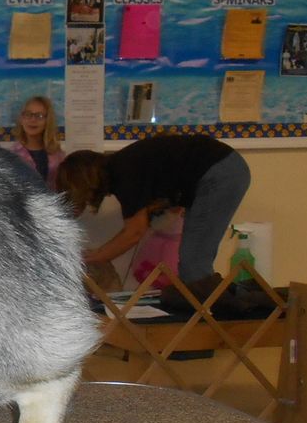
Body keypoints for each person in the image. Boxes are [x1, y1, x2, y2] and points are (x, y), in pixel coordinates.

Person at [57, 133, 251, 310]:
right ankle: (234, 303)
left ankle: (211, 326)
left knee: (194, 262)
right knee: (193, 262)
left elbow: (133, 233)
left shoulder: (125, 174)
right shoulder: (124, 167)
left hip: (220, 172)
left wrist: (97, 257)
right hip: (222, 168)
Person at [4, 95, 63, 186]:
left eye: (39, 116)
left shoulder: (58, 154)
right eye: (28, 114)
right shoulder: (12, 156)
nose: (33, 119)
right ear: (22, 119)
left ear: (48, 120)